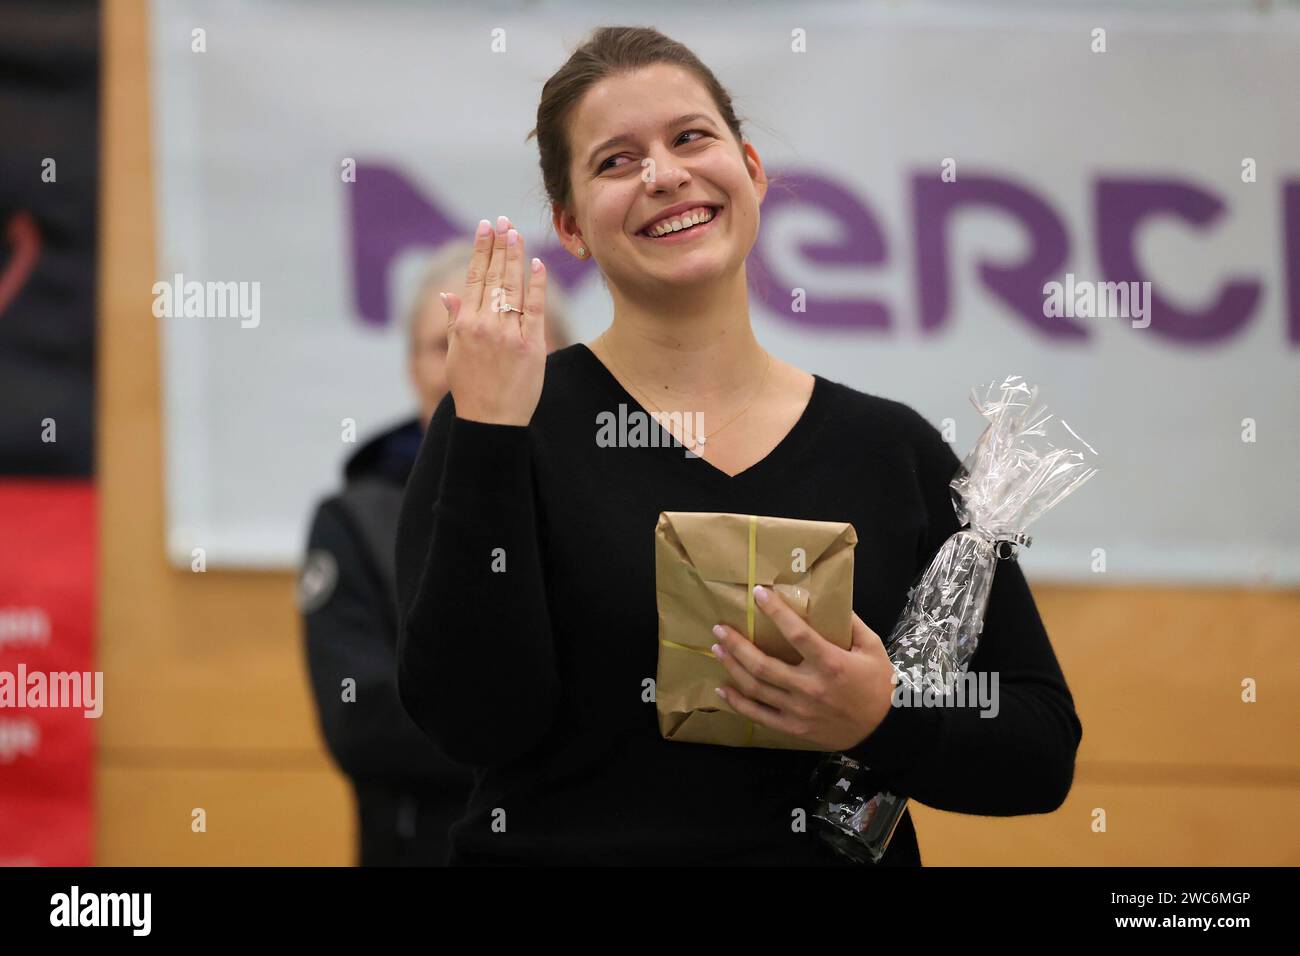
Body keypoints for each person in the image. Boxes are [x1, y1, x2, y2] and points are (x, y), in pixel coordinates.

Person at [394, 26, 1082, 866]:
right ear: (570, 227)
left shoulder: (894, 450)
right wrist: (492, 438)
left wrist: (882, 714)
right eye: (615, 160)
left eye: (690, 138)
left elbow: (1041, 751)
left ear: (750, 171)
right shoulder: (504, 421)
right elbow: (473, 719)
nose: (664, 174)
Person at [300, 240, 570, 865]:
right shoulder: (355, 521)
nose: (472, 354)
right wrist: (560, 733)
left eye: (506, 327)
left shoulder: (608, 495)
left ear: (558, 356)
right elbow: (361, 723)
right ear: (411, 368)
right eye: (441, 341)